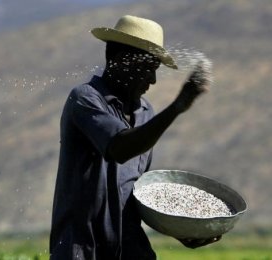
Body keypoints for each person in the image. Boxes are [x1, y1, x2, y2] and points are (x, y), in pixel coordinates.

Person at [49, 15, 220, 260]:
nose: (152, 80)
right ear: (118, 61)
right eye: (147, 70)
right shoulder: (85, 99)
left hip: (130, 250)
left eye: (155, 71)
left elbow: (134, 192)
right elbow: (120, 148)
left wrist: (182, 228)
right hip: (83, 250)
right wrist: (177, 107)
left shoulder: (145, 113)